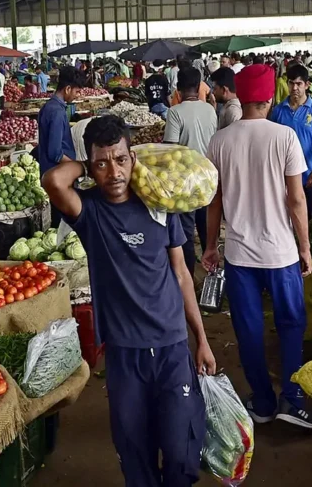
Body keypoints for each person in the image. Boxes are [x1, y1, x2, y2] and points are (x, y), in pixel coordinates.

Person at [42, 115, 215, 487]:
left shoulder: (157, 203)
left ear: (133, 158)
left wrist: (200, 338)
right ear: (90, 167)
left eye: (121, 159)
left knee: (182, 447)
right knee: (134, 452)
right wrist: (82, 162)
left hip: (171, 345)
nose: (114, 172)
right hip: (124, 352)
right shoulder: (89, 212)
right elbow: (54, 180)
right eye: (102, 164)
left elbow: (182, 273)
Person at [202, 63, 312, 430]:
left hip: (239, 255)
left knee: (248, 330)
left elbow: (214, 201)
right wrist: (305, 246)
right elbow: (296, 200)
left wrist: (210, 245)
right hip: (280, 252)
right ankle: (293, 399)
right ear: (269, 98)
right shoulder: (284, 137)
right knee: (291, 323)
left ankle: (263, 402)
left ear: (239, 95)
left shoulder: (220, 141)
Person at [164, 67, 218, 274]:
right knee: (206, 226)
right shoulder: (210, 110)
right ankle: (212, 267)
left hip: (184, 180)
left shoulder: (175, 112)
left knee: (185, 229)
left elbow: (171, 148)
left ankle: (187, 274)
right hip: (207, 177)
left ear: (178, 88)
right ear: (198, 87)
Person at [270, 64, 312, 222]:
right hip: (283, 178)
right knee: (284, 220)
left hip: (309, 177)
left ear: (307, 85)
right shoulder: (278, 111)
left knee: (308, 220)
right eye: (291, 83)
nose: (294, 88)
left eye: (299, 84)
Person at [38, 66, 84, 226]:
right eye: (77, 92)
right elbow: (55, 153)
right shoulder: (57, 112)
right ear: (68, 88)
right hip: (58, 175)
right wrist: (79, 167)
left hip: (50, 174)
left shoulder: (48, 107)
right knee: (62, 222)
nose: (78, 96)